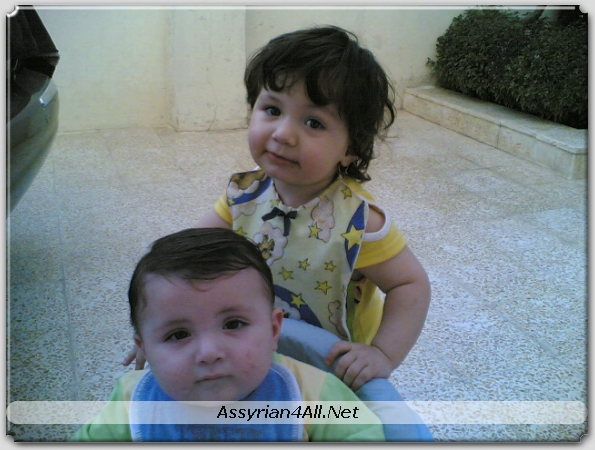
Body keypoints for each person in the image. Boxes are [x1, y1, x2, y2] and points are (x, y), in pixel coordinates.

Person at [195, 25, 431, 392]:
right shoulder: (243, 195)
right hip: (257, 347)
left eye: (313, 122)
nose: (283, 134)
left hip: (331, 366)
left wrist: (382, 353)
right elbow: (190, 256)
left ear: (351, 149)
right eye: (272, 109)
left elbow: (410, 285)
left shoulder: (359, 223)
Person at [73, 228, 385, 442]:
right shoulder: (133, 401)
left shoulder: (307, 392)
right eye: (178, 334)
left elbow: (362, 434)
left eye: (233, 324)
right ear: (145, 349)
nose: (209, 352)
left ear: (273, 330)